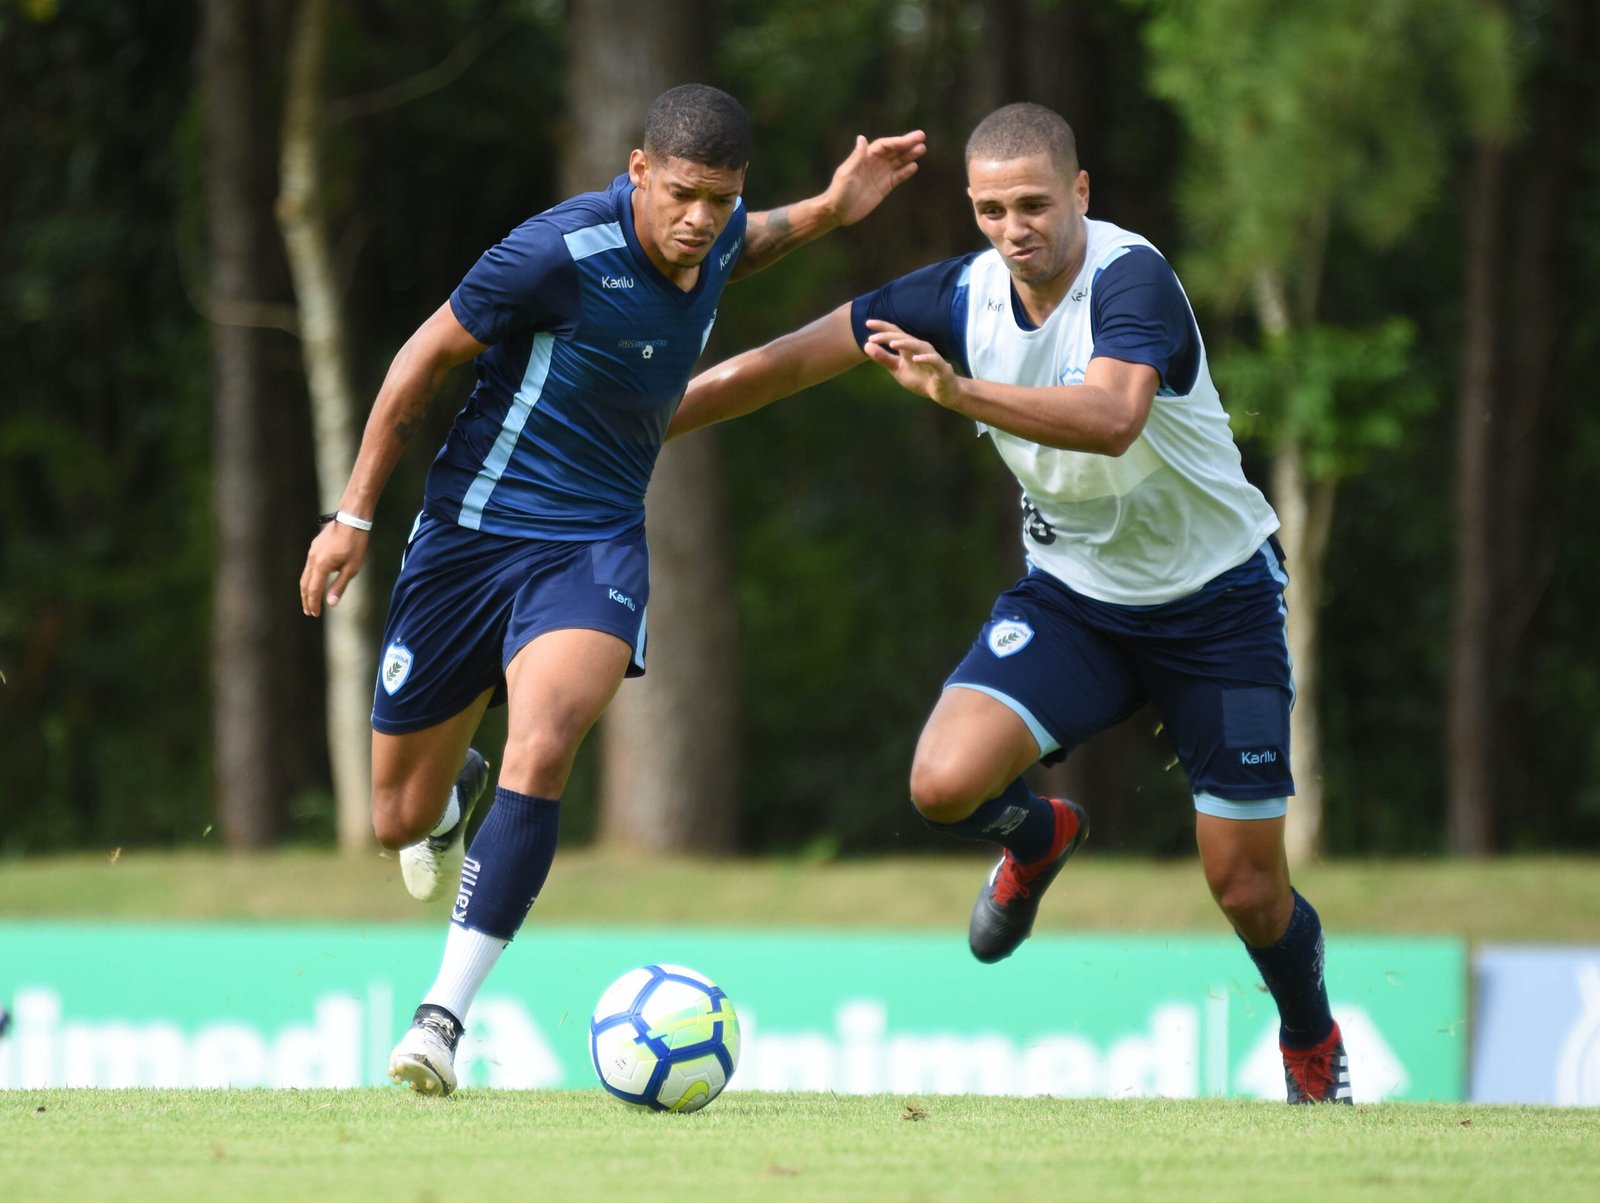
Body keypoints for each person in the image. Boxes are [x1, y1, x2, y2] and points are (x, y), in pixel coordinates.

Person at [669, 101, 1351, 1105]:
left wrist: (960, 397)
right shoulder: (960, 296)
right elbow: (783, 364)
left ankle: (1309, 1040)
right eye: (989, 209)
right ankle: (1038, 838)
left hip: (1216, 608)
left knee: (1246, 886)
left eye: (1032, 203)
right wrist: (635, 430)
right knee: (942, 782)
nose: (1011, 228)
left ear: (1079, 193)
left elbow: (1115, 418)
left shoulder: (1132, 280)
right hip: (1077, 601)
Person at [298, 83, 925, 1097]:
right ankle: (453, 791)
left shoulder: (715, 233)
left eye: (719, 199)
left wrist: (830, 209)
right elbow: (420, 360)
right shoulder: (552, 253)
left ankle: (440, 1021)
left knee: (545, 744)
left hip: (590, 545)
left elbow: (751, 241)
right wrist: (353, 517)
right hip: (469, 539)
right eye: (680, 193)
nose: (700, 219)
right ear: (636, 171)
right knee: (394, 819)